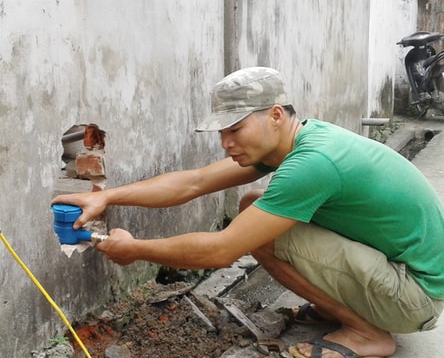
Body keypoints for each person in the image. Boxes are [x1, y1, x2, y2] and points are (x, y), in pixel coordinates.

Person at [51, 67, 444, 358]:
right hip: (400, 274)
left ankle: (366, 333)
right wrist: (107, 198)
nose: (225, 143)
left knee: (260, 230)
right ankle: (339, 308)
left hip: (415, 296)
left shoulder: (312, 163)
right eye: (221, 132)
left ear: (275, 115)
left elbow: (221, 251)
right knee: (253, 206)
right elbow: (193, 182)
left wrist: (136, 248)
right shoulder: (296, 138)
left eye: (234, 129)